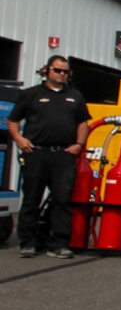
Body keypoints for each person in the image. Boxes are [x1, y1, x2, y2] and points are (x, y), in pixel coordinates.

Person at [6, 55, 90, 259]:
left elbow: (83, 123)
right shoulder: (31, 94)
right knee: (32, 198)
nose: (62, 75)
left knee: (62, 200)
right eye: (58, 70)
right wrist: (19, 139)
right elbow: (13, 120)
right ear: (47, 71)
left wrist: (79, 145)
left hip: (63, 155)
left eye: (66, 71)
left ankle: (59, 244)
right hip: (37, 153)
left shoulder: (75, 96)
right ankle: (28, 243)